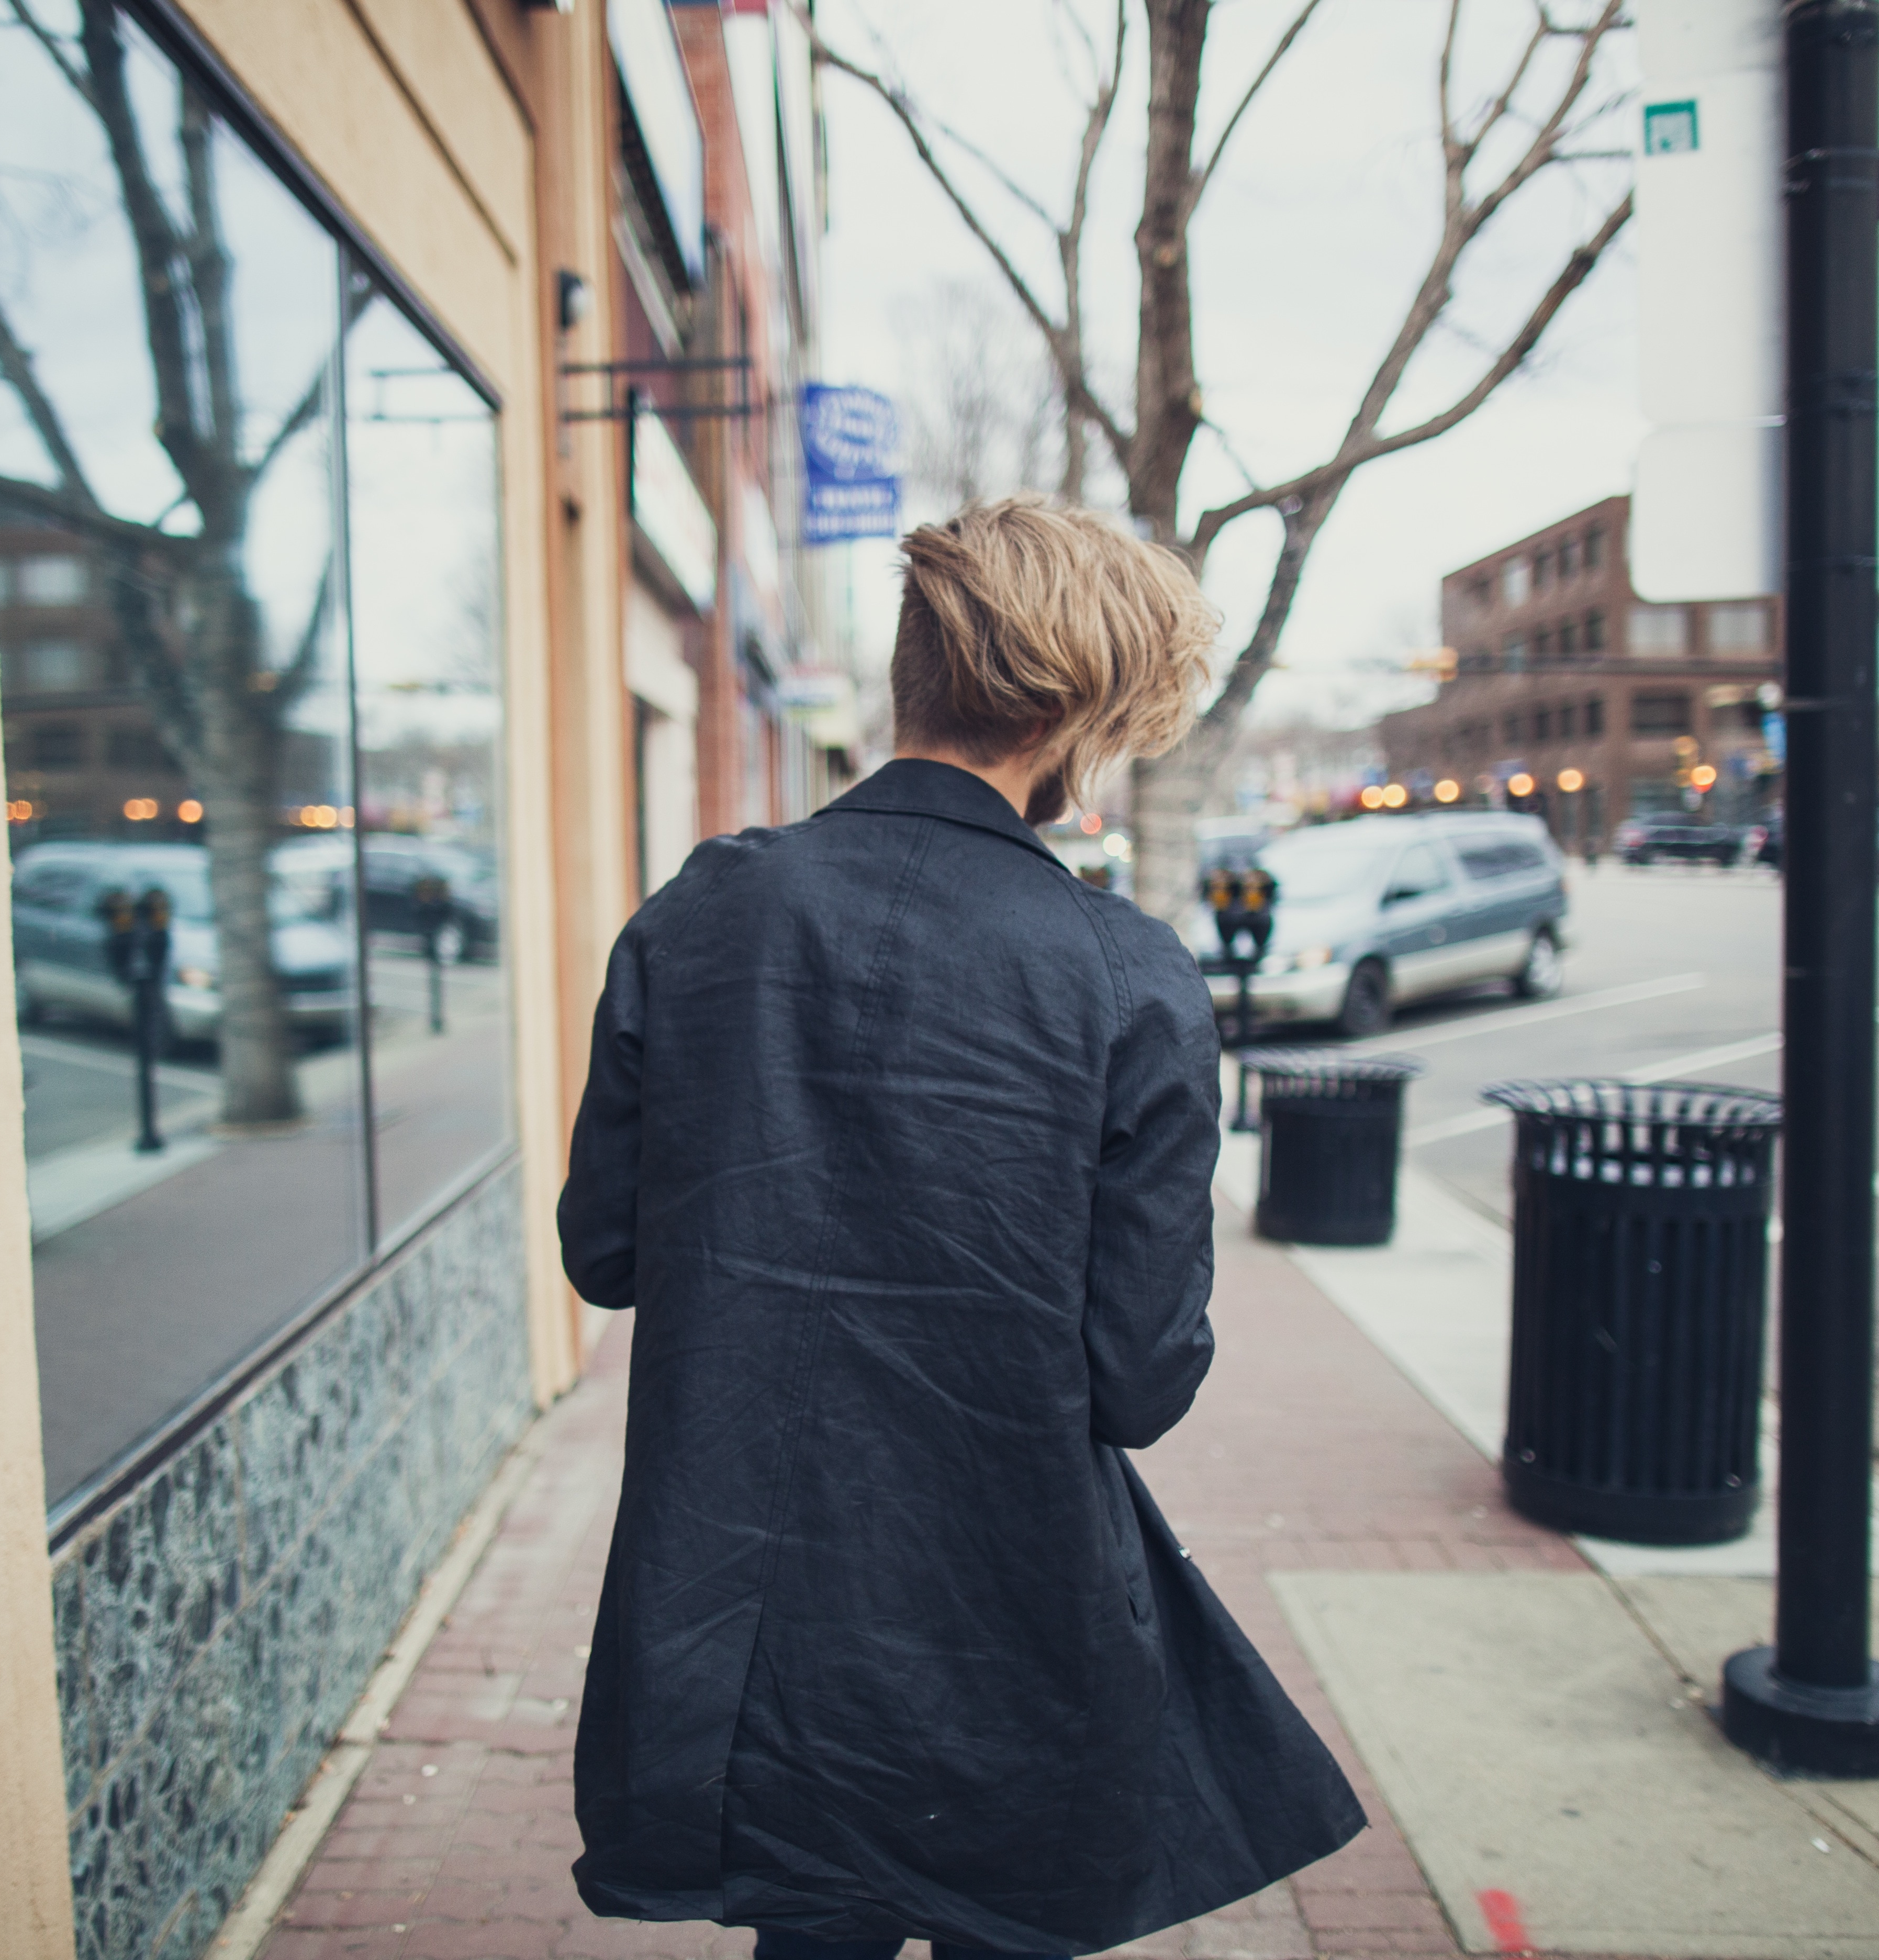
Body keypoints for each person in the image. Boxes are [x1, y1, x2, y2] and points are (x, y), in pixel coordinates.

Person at [558, 498, 1365, 1960]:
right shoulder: (1125, 977)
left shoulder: (701, 915)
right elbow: (1142, 1380)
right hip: (1009, 1618)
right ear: (1081, 715)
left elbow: (605, 1256)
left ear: (906, 678)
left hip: (748, 1616)